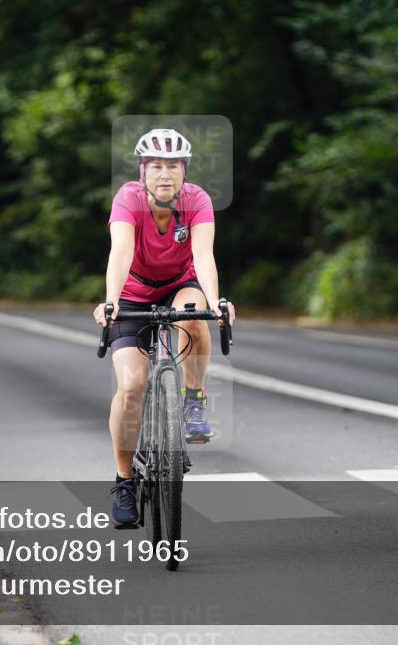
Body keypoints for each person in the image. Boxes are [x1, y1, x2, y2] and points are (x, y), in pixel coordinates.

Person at [93, 128, 236, 526]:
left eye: (173, 165)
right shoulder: (128, 198)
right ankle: (124, 480)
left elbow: (203, 256)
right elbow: (120, 252)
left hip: (179, 285)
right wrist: (111, 301)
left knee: (194, 311)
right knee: (131, 386)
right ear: (143, 171)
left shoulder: (196, 200)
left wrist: (216, 301)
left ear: (184, 170)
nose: (164, 174)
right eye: (156, 166)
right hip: (133, 294)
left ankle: (193, 399)